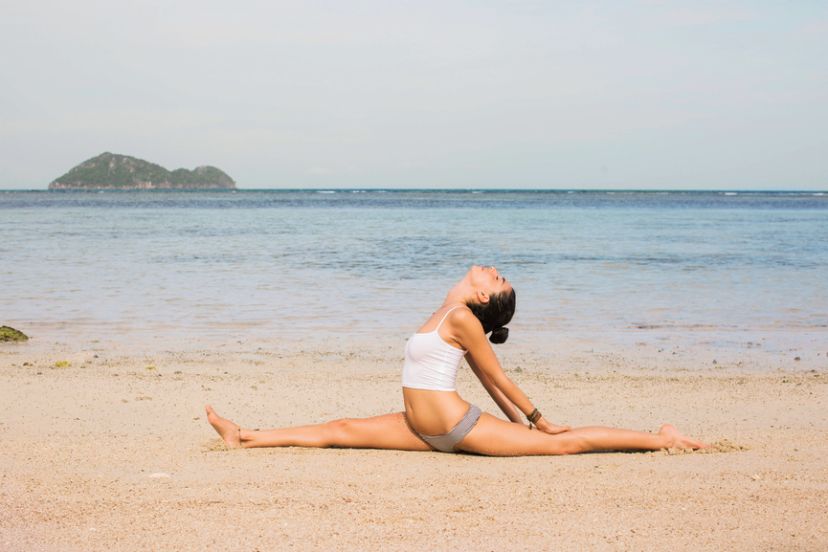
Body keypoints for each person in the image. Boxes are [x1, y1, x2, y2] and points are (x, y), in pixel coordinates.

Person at [206, 265, 705, 455]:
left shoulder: (461, 317)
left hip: (453, 425)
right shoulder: (444, 314)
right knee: (338, 428)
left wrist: (539, 422)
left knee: (564, 444)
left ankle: (661, 439)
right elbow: (485, 378)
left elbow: (496, 373)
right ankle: (244, 436)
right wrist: (515, 423)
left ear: (484, 298)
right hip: (420, 428)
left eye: (497, 278)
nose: (491, 269)